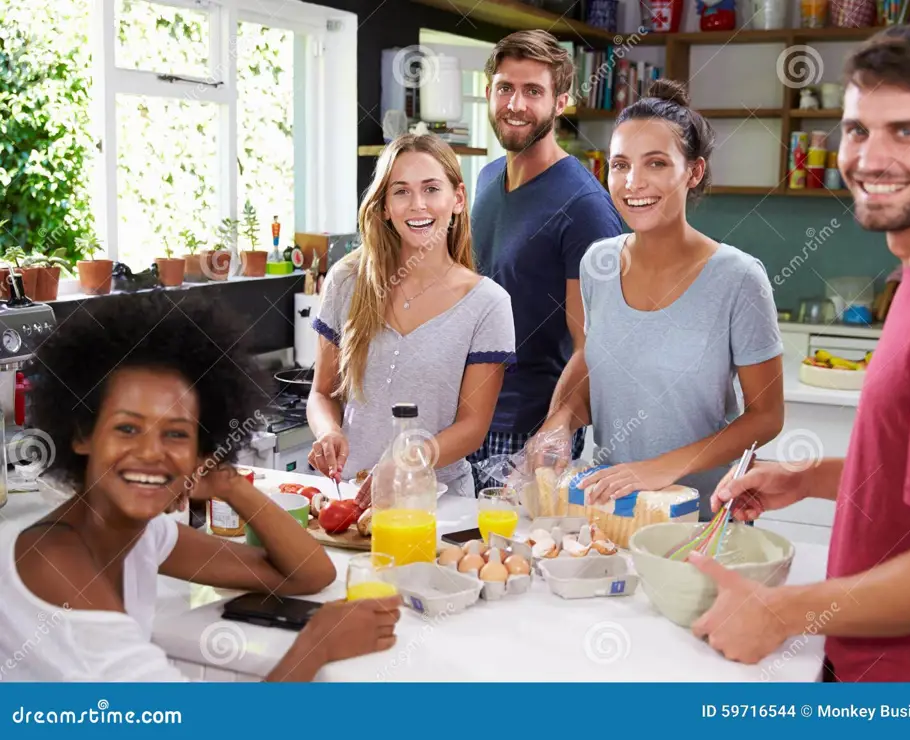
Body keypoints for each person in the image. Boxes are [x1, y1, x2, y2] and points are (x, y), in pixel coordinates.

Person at [693, 24, 910, 682]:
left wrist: (783, 612)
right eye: (856, 130)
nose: (871, 158)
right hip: (867, 663)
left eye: (907, 131)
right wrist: (806, 479)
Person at [0, 292, 400, 681]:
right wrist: (317, 647)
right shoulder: (55, 565)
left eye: (176, 434)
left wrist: (228, 483)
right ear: (82, 434)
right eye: (126, 428)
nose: (151, 452)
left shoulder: (139, 535)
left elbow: (309, 574)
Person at [538, 79, 785, 521]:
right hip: (608, 509)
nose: (633, 183)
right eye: (619, 165)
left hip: (700, 516)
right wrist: (559, 422)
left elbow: (766, 415)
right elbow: (594, 361)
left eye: (655, 163)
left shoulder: (739, 278)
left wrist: (657, 470)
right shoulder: (598, 262)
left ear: (694, 171)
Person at [307, 134, 515, 500]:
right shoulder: (346, 280)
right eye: (401, 191)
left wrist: (408, 461)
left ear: (457, 199)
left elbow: (473, 426)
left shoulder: (488, 304)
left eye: (431, 189)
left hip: (441, 503)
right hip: (351, 496)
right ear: (385, 206)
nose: (417, 205)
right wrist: (328, 433)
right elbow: (322, 393)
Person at [467, 30, 623, 490]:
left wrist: (556, 429)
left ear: (560, 103)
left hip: (528, 428)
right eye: (505, 88)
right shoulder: (487, 178)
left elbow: (592, 343)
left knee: (520, 558)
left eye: (533, 91)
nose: (515, 104)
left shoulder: (585, 206)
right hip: (466, 416)